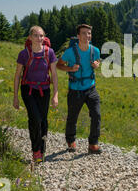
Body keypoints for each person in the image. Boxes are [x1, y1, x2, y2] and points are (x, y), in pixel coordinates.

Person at [13, 26, 58, 163]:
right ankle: (35, 150)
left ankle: (42, 150)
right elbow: (17, 76)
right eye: (36, 35)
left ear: (44, 37)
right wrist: (15, 97)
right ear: (30, 37)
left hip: (44, 90)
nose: (39, 38)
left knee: (43, 120)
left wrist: (56, 94)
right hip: (28, 89)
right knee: (35, 119)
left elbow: (54, 75)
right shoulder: (24, 54)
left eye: (41, 36)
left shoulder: (49, 53)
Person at [56, 23, 102, 154]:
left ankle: (93, 144)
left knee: (96, 115)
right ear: (78, 36)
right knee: (72, 117)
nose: (87, 36)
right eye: (84, 33)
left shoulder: (95, 50)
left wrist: (96, 65)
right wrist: (70, 69)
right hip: (75, 89)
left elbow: (98, 61)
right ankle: (71, 141)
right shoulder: (70, 52)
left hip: (91, 88)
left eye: (89, 33)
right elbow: (59, 65)